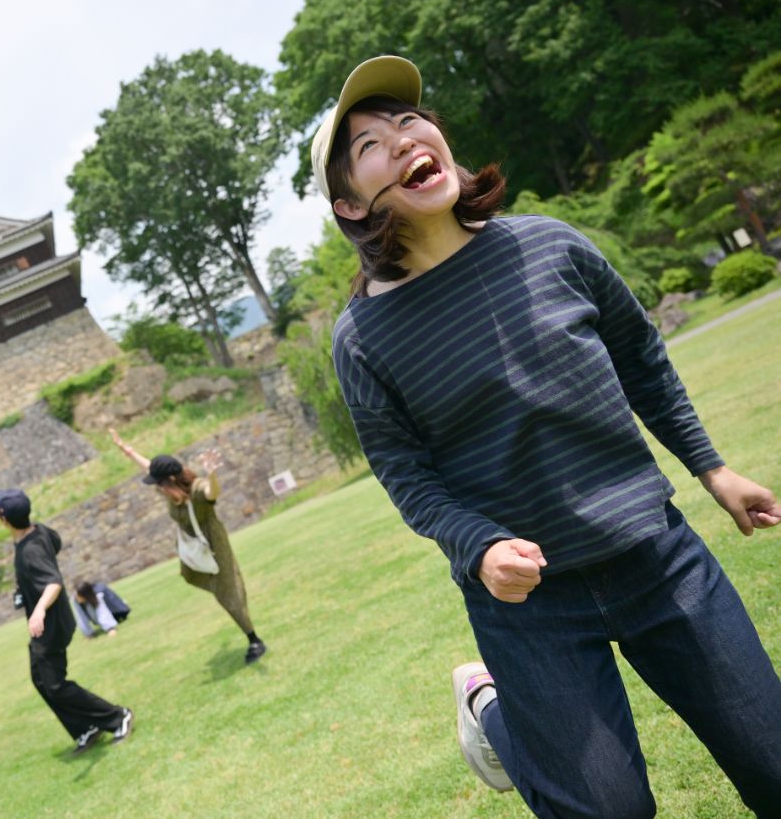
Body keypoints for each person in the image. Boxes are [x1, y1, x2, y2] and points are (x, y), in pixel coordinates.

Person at [315, 54, 781, 817]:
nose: (402, 140)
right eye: (369, 145)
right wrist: (480, 546)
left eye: (409, 121)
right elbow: (409, 478)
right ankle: (495, 714)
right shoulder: (362, 337)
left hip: (655, 554)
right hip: (529, 606)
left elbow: (642, 359)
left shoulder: (551, 246)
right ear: (351, 207)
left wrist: (711, 468)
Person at [0, 487, 134, 754]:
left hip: (50, 626)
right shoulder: (38, 531)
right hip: (52, 623)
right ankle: (85, 729)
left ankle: (118, 716)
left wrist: (39, 610)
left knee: (55, 685)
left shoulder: (29, 550)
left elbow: (53, 582)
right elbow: (54, 545)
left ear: (4, 518)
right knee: (41, 680)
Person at [108, 431, 267, 664]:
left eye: (159, 483)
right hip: (193, 547)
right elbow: (149, 468)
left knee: (228, 593)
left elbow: (211, 492)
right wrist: (128, 451)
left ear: (170, 480)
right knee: (217, 589)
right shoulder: (169, 492)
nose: (157, 488)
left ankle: (254, 640)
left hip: (213, 545)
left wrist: (212, 474)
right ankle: (245, 625)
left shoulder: (196, 488)